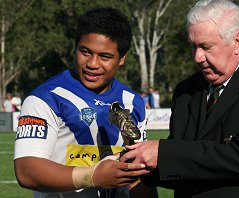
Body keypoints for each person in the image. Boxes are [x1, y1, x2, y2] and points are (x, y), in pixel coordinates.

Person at [120, 0, 239, 197]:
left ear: (237, 42)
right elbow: (187, 162)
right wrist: (138, 164)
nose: (197, 57)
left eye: (206, 47)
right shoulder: (185, 91)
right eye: (193, 46)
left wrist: (162, 153)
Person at [14, 7, 157, 198]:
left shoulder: (134, 103)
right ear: (75, 48)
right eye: (85, 52)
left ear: (122, 58)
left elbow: (138, 173)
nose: (92, 64)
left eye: (105, 56)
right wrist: (93, 176)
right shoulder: (45, 98)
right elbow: (27, 171)